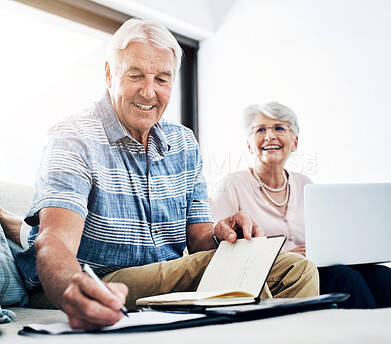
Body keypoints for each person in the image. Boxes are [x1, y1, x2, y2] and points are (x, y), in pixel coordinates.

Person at [13, 19, 319, 329]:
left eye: (162, 79)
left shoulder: (183, 142)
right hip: (92, 280)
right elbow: (56, 240)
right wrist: (70, 288)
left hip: (162, 278)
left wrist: (222, 233)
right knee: (276, 269)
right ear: (109, 73)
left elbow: (199, 239)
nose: (149, 92)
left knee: (300, 270)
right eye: (135, 75)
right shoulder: (74, 136)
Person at [211, 101, 391, 309]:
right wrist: (284, 257)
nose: (270, 136)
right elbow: (220, 250)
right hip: (275, 275)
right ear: (249, 144)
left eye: (279, 128)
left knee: (385, 278)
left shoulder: (304, 183)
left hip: (315, 266)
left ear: (295, 142)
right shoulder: (232, 183)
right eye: (261, 129)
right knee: (345, 279)